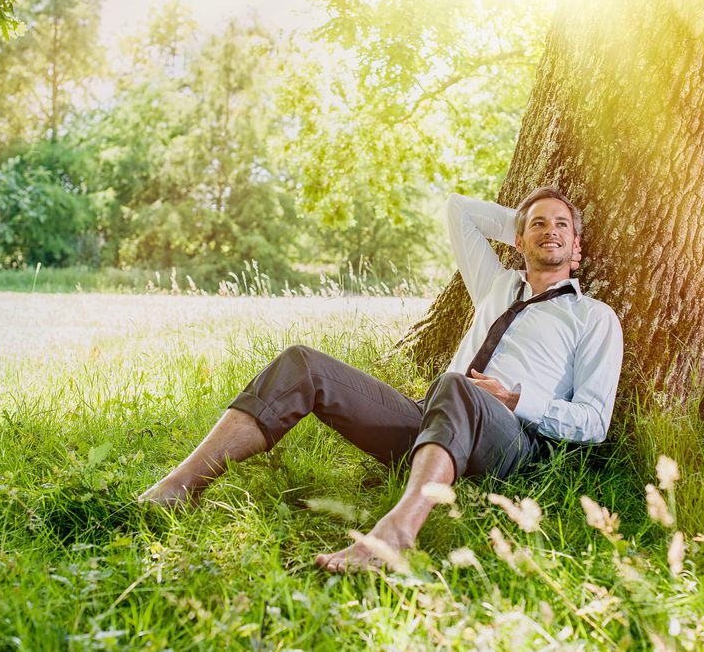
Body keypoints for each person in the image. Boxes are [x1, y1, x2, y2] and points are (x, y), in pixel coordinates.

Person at [139, 187, 624, 572]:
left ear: (577, 245)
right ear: (518, 241)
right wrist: (522, 223)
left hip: (511, 445)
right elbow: (459, 210)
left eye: (562, 226)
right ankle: (181, 486)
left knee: (457, 385)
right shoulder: (496, 284)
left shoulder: (593, 318)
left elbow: (594, 421)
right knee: (302, 363)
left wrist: (515, 398)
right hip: (435, 420)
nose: (551, 231)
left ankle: (394, 536)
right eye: (538, 224)